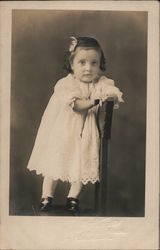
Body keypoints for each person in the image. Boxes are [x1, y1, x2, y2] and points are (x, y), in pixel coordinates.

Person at [27, 36, 124, 214]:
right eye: (82, 62)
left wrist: (109, 96)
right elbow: (78, 106)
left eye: (94, 63)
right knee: (55, 163)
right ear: (71, 64)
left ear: (100, 65)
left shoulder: (100, 83)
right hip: (64, 132)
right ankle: (46, 196)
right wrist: (96, 100)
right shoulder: (65, 84)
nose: (88, 68)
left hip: (86, 133)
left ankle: (73, 198)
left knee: (82, 164)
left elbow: (112, 93)